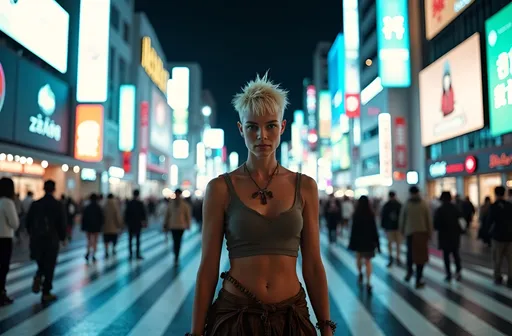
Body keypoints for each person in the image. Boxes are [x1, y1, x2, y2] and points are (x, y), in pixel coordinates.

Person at [189, 73, 334, 336]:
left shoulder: (306, 186)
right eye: (252, 126)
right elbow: (208, 266)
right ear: (240, 128)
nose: (261, 136)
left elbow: (313, 263)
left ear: (283, 127)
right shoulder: (220, 188)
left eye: (270, 126)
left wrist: (326, 327)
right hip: (236, 315)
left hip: (291, 316)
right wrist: (196, 332)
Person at [26, 180, 66, 303]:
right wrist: (63, 237)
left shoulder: (36, 204)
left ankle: (39, 275)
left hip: (37, 239)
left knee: (40, 260)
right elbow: (61, 223)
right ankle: (46, 292)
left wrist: (32, 234)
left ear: (43, 189)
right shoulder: (58, 204)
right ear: (54, 189)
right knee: (50, 264)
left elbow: (28, 222)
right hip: (51, 239)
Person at [399, 186, 433, 289]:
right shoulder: (423, 204)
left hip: (410, 233)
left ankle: (409, 272)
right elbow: (429, 220)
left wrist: (402, 231)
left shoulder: (407, 204)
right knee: (421, 257)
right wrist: (430, 233)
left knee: (410, 254)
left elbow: (402, 219)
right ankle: (418, 279)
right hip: (422, 233)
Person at [348, 195, 380, 293]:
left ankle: (360, 273)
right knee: (368, 261)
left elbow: (353, 230)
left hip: (358, 241)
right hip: (369, 241)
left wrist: (351, 242)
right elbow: (374, 230)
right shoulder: (371, 214)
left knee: (358, 258)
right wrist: (377, 243)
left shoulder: (356, 214)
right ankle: (369, 282)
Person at [434, 192, 463, 282]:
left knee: (446, 256)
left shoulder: (439, 210)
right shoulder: (456, 208)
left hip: (444, 236)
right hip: (455, 236)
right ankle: (458, 272)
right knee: (456, 254)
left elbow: (436, 225)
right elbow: (461, 222)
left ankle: (448, 274)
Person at [486, 186, 512, 287]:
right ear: (504, 193)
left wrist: (487, 234)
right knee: (510, 260)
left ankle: (498, 278)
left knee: (497, 259)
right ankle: (510, 279)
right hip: (510, 237)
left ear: (495, 194)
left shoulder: (493, 206)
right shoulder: (509, 205)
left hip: (497, 237)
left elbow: (489, 221)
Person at [0, 177, 20, 305]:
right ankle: (1, 293)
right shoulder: (7, 202)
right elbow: (15, 223)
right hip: (4, 239)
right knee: (3, 267)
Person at [163, 189, 192, 264]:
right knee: (175, 240)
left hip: (181, 226)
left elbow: (188, 215)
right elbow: (167, 215)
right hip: (173, 225)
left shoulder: (184, 204)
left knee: (178, 240)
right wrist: (165, 223)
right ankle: (176, 253)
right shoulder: (171, 204)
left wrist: (188, 224)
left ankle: (177, 254)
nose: (178, 195)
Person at [380, 191, 402, 267]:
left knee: (390, 243)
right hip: (397, 227)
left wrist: (383, 227)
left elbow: (383, 217)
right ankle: (398, 258)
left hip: (389, 228)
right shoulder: (399, 205)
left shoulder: (386, 205)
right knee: (398, 243)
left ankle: (391, 257)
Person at [124, 189, 147, 260]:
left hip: (130, 224)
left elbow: (126, 214)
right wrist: (144, 222)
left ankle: (130, 254)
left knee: (130, 239)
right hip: (138, 224)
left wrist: (126, 222)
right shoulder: (140, 203)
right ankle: (137, 254)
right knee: (137, 239)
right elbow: (143, 214)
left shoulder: (129, 203)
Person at [81, 193, 104, 262]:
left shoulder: (87, 207)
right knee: (95, 241)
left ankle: (88, 252)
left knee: (89, 240)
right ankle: (94, 254)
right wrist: (101, 226)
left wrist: (83, 227)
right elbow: (101, 218)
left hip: (88, 226)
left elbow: (84, 218)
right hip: (96, 226)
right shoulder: (98, 207)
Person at [103, 193, 123, 258]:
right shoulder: (115, 205)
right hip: (114, 227)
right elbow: (117, 216)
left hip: (105, 227)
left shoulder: (104, 205)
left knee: (106, 239)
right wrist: (120, 225)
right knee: (114, 239)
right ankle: (113, 249)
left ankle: (106, 251)